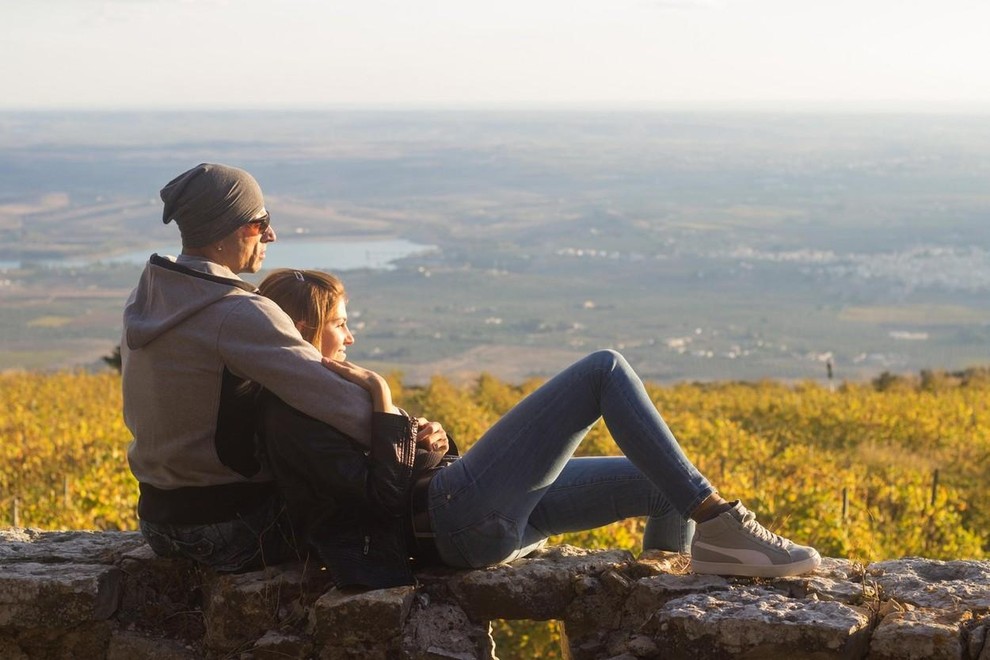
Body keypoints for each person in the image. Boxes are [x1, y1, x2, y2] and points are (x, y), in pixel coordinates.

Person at [255, 268, 822, 589]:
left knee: (662, 483)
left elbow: (397, 466)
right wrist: (383, 404)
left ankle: (672, 588)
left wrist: (429, 436)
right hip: (449, 521)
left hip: (464, 510)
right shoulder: (293, 414)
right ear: (305, 329)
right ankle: (722, 523)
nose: (350, 338)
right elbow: (382, 499)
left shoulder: (325, 392)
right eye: (340, 325)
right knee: (604, 370)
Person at [120, 163, 378, 573]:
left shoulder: (150, 297)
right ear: (237, 228)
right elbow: (342, 404)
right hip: (230, 529)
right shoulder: (236, 311)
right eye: (263, 223)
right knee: (377, 514)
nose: (271, 235)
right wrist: (410, 430)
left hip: (157, 523)